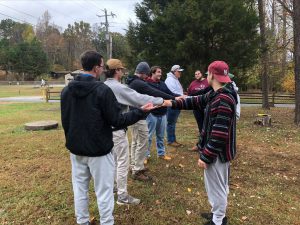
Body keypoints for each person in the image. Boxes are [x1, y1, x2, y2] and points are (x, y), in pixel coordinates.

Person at [61, 51, 154, 225]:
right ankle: (106, 222)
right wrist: (140, 111)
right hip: (98, 151)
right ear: (96, 67)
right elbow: (117, 120)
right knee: (103, 192)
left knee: (80, 189)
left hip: (76, 149)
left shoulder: (66, 90)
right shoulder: (102, 90)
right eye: (102, 66)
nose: (103, 69)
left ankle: (82, 221)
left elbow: (65, 121)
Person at [163, 61, 237, 225]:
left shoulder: (223, 99)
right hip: (219, 153)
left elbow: (219, 134)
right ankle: (217, 214)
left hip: (218, 154)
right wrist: (169, 102)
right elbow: (194, 101)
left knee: (216, 188)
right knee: (219, 185)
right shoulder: (216, 93)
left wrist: (206, 156)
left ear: (211, 75)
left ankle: (218, 220)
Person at [104, 59, 164, 205]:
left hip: (106, 130)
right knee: (123, 162)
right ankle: (123, 196)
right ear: (117, 71)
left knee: (113, 161)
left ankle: (113, 188)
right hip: (117, 130)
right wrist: (161, 100)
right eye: (121, 69)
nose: (123, 72)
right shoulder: (117, 87)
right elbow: (138, 98)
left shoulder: (103, 85)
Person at [126, 62, 181, 181]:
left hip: (135, 115)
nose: (147, 77)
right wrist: (173, 98)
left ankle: (133, 165)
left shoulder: (133, 81)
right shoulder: (138, 83)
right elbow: (154, 92)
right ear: (144, 73)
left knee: (136, 142)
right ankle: (138, 169)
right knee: (143, 141)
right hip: (139, 116)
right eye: (146, 74)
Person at [145, 66, 180, 162]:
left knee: (160, 136)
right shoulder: (147, 84)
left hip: (163, 113)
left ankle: (161, 153)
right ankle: (145, 155)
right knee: (148, 136)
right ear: (152, 73)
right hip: (151, 114)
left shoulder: (163, 84)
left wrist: (180, 96)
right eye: (158, 72)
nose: (160, 74)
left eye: (161, 72)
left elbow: (170, 93)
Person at [187, 70, 209, 151]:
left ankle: (207, 145)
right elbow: (189, 94)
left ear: (201, 74)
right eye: (195, 74)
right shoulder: (193, 83)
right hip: (196, 108)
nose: (197, 75)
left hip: (206, 107)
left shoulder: (207, 81)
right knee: (200, 126)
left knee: (207, 125)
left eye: (198, 73)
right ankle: (200, 144)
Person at [165, 65, 184, 147]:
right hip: (172, 104)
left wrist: (183, 95)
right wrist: (182, 96)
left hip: (176, 103)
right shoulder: (170, 80)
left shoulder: (175, 79)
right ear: (174, 71)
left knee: (173, 122)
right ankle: (171, 140)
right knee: (171, 122)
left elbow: (177, 91)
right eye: (179, 71)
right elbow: (172, 92)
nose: (180, 73)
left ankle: (173, 140)